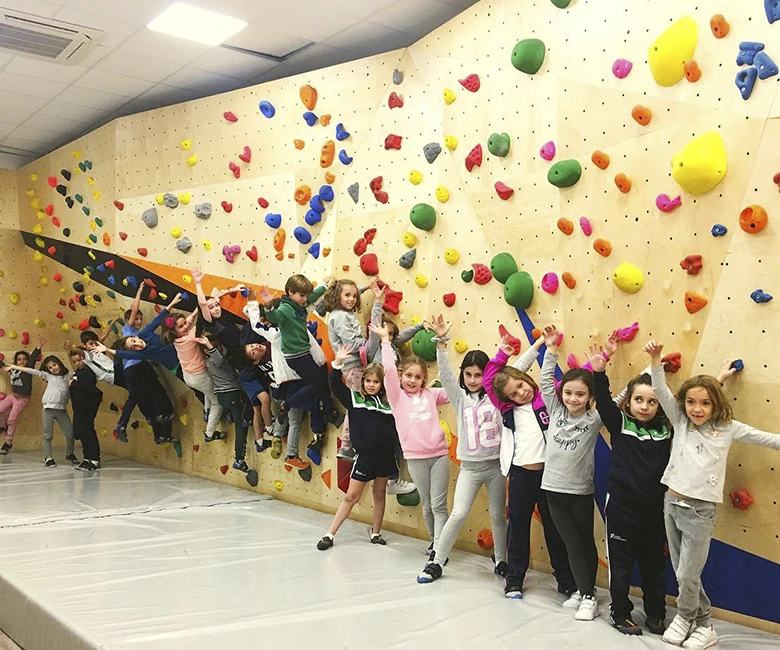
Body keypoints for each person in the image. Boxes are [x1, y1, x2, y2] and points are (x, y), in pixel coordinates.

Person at [645, 340, 780, 649]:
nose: (697, 409)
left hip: (699, 511)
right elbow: (663, 391)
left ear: (716, 404)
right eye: (691, 402)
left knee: (687, 574)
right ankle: (699, 621)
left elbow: (768, 438)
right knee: (683, 572)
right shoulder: (681, 421)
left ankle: (693, 619)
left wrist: (716, 382)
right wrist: (655, 359)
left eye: (705, 403)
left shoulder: (729, 427)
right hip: (671, 503)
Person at [481, 331, 577, 600]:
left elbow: (575, 383)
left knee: (555, 529)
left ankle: (566, 580)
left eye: (522, 386)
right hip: (521, 476)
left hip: (550, 476)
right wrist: (504, 353)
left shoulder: (546, 396)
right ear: (507, 398)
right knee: (518, 528)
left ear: (527, 379)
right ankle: (514, 580)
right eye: (514, 393)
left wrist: (542, 345)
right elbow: (490, 380)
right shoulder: (507, 408)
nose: (521, 393)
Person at [417, 315, 507, 584]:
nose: (472, 379)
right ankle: (437, 561)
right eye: (468, 374)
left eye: (478, 375)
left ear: (487, 375)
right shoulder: (459, 397)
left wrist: (533, 348)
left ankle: (501, 560)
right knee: (458, 513)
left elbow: (518, 371)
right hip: (470, 468)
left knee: (499, 516)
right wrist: (441, 343)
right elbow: (445, 374)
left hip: (496, 467)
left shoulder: (497, 396)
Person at [540, 325, 604, 621]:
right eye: (568, 392)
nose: (573, 398)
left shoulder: (594, 418)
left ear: (589, 396)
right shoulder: (555, 410)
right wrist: (551, 350)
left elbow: (617, 401)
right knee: (571, 543)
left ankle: (588, 595)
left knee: (583, 542)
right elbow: (545, 382)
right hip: (552, 490)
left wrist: (602, 369)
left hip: (579, 492)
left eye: (580, 394)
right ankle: (583, 589)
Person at [371, 321, 451, 561]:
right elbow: (388, 372)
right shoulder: (397, 398)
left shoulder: (431, 394)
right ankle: (434, 541)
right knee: (427, 504)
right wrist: (385, 342)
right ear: (401, 376)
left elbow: (456, 390)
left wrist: (442, 344)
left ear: (424, 379)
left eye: (418, 377)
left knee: (439, 505)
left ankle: (440, 548)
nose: (413, 380)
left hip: (439, 455)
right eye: (408, 375)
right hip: (416, 458)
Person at [316, 345, 398, 550]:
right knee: (351, 496)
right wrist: (337, 363)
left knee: (379, 493)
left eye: (376, 382)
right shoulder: (355, 399)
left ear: (382, 384)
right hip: (365, 457)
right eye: (368, 381)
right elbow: (335, 385)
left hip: (386, 455)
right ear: (363, 382)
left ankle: (376, 533)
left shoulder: (389, 404)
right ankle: (329, 534)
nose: (371, 385)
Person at [258, 275, 339, 426]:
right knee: (319, 383)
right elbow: (275, 317)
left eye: (305, 295)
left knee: (319, 382)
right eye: (302, 295)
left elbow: (313, 295)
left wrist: (325, 283)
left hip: (302, 353)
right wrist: (268, 306)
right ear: (290, 292)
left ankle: (329, 411)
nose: (305, 299)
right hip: (296, 356)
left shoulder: (298, 304)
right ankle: (288, 403)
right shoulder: (285, 309)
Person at [196, 333, 258, 486]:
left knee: (240, 412)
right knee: (240, 427)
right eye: (215, 347)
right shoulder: (216, 360)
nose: (219, 348)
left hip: (223, 397)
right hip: (230, 394)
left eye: (219, 345)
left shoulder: (208, 362)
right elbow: (219, 359)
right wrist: (210, 347)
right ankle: (239, 459)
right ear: (207, 350)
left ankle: (232, 416)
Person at [163, 309, 225, 443]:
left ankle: (207, 411)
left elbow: (189, 321)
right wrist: (202, 308)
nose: (186, 326)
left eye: (185, 323)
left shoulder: (177, 340)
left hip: (189, 376)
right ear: (173, 332)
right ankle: (209, 433)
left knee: (208, 392)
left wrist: (196, 310)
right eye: (181, 326)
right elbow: (199, 325)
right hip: (199, 376)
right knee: (217, 402)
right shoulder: (190, 337)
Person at [7, 353, 75, 467]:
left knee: (70, 433)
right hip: (48, 409)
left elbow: (79, 372)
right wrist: (14, 367)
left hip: (61, 410)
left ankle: (70, 453)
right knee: (48, 435)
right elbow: (31, 371)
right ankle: (48, 457)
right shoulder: (48, 376)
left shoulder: (68, 375)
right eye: (50, 367)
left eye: (55, 365)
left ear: (59, 364)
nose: (53, 368)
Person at [0, 337, 43, 454]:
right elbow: (2, 365)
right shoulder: (13, 370)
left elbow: (33, 359)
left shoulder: (28, 370)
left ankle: (8, 443)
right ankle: (2, 425)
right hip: (12, 396)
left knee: (12, 420)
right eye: (19, 360)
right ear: (16, 362)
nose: (22, 362)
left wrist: (38, 348)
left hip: (22, 399)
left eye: (24, 359)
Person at [67, 348, 103, 471]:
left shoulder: (89, 372)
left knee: (88, 431)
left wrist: (73, 384)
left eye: (79, 360)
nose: (77, 363)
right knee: (81, 431)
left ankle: (95, 459)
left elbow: (88, 387)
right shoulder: (78, 372)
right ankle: (87, 457)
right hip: (78, 406)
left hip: (87, 406)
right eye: (75, 362)